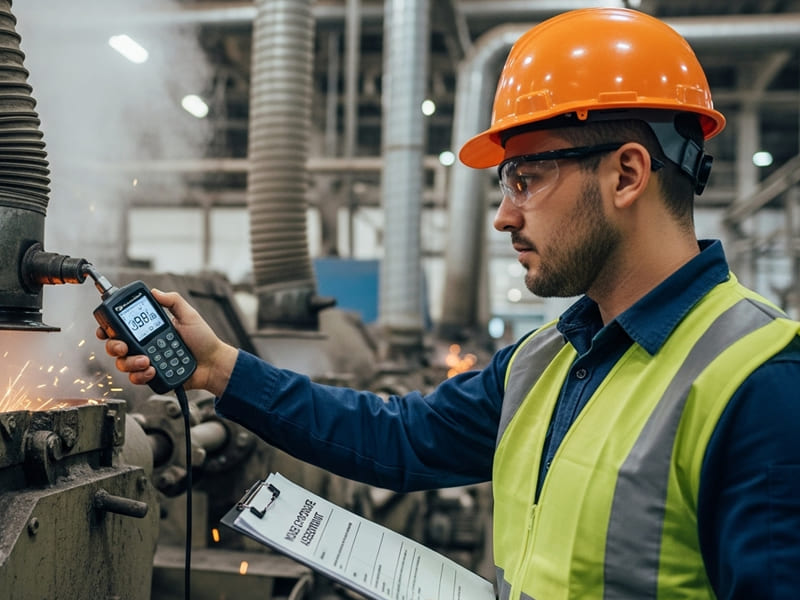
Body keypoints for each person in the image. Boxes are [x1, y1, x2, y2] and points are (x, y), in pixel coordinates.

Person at [100, 8, 800, 599]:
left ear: (625, 174)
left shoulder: (758, 383)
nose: (503, 215)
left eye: (526, 178)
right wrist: (222, 368)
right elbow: (400, 437)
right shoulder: (547, 359)